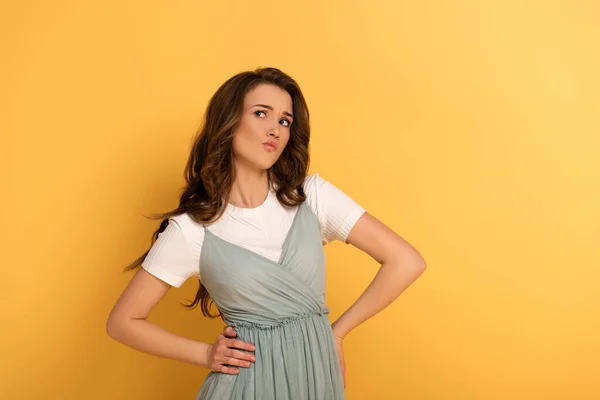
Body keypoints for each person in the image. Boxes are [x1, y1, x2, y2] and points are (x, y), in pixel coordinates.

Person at [106, 67, 427, 399]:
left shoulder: (311, 197)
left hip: (317, 379)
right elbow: (123, 322)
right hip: (245, 386)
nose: (275, 129)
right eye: (261, 114)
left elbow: (406, 261)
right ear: (228, 122)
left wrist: (337, 334)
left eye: (285, 121)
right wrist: (205, 354)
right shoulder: (191, 230)